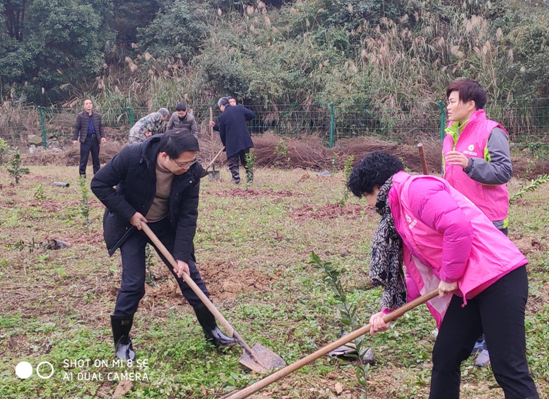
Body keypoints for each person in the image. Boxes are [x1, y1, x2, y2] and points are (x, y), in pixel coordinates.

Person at [347, 152, 538, 399]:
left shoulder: (416, 190)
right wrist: (389, 311)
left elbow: (457, 227)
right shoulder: (400, 214)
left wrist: (449, 276)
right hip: (468, 287)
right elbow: (422, 272)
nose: (369, 205)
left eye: (367, 196)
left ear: (378, 186)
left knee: (508, 367)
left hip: (499, 277)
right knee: (446, 355)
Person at [91, 130, 235, 361]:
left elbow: (188, 215)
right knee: (133, 283)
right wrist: (129, 214)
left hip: (164, 225)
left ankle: (212, 331)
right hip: (131, 226)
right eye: (183, 163)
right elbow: (99, 184)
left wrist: (181, 256)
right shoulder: (132, 156)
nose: (189, 167)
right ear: (165, 156)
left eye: (192, 161)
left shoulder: (190, 173)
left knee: (189, 275)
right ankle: (122, 342)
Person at [444, 78, 513, 366]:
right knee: (466, 278)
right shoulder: (450, 134)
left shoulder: (491, 131)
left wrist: (471, 164)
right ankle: (473, 336)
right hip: (461, 221)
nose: (448, 106)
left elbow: (504, 170)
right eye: (447, 101)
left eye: (452, 100)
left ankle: (490, 345)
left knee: (490, 284)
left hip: (489, 221)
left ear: (470, 104)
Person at [210, 97, 255, 184]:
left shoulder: (222, 117)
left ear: (222, 105)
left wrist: (225, 144)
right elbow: (252, 115)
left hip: (232, 142)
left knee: (233, 160)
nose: (220, 109)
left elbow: (222, 133)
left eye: (220, 107)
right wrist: (243, 119)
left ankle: (236, 178)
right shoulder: (239, 108)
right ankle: (250, 177)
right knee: (246, 159)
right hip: (244, 139)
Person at [72, 99, 106, 177]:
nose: (89, 105)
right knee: (84, 158)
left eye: (90, 103)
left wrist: (103, 136)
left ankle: (97, 175)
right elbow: (77, 128)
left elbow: (100, 127)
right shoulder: (80, 116)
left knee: (96, 158)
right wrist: (75, 139)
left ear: (92, 105)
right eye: (87, 104)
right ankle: (82, 175)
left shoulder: (97, 116)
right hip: (85, 140)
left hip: (95, 140)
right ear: (84, 106)